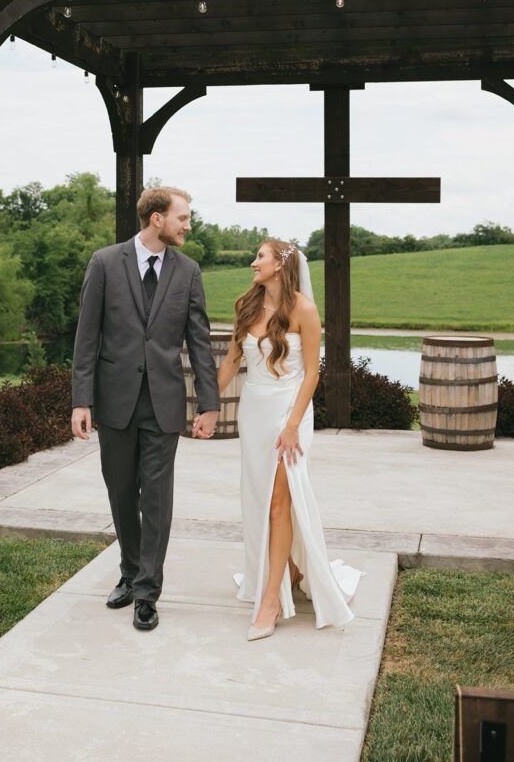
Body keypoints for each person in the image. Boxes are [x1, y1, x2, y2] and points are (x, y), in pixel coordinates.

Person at [71, 186, 220, 632]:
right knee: (120, 492)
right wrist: (82, 399)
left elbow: (199, 341)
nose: (188, 225)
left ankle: (147, 592)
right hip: (114, 401)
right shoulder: (104, 263)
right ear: (157, 219)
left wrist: (208, 404)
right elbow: (87, 336)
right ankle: (130, 569)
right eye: (183, 217)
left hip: (164, 404)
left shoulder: (188, 271)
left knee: (155, 496)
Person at [217, 240, 363, 641]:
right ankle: (291, 571)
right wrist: (206, 408)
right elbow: (232, 360)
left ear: (280, 265)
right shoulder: (246, 306)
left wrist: (293, 424)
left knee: (281, 502)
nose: (253, 262)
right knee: (260, 500)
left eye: (260, 257)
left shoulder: (304, 309)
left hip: (289, 413)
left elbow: (312, 374)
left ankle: (272, 600)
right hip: (254, 413)